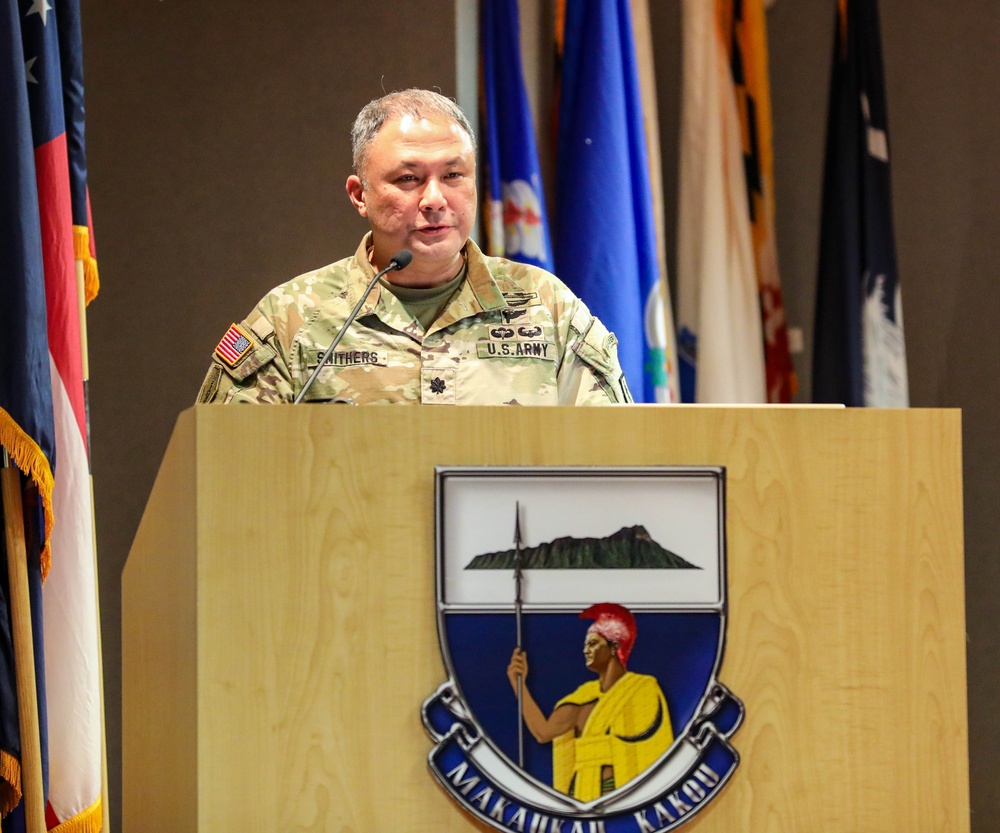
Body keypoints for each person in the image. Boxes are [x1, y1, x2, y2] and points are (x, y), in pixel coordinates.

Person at [196, 88, 632, 405]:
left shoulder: (548, 307)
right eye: (408, 179)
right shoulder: (291, 319)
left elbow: (618, 455)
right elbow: (225, 470)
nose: (435, 200)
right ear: (359, 195)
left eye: (454, 175)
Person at [506, 603, 673, 801]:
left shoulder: (642, 689)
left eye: (593, 643)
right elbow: (543, 733)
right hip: (581, 792)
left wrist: (603, 747)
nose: (585, 650)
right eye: (585, 644)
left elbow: (650, 750)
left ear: (614, 647)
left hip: (621, 792)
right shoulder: (583, 696)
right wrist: (519, 684)